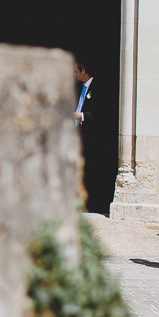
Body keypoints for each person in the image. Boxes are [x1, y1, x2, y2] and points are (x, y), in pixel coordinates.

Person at [73, 60, 111, 212]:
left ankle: (93, 204)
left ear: (83, 70)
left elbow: (102, 113)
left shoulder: (98, 87)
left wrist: (81, 115)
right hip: (79, 136)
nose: (74, 74)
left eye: (76, 71)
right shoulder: (79, 87)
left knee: (91, 171)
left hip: (92, 139)